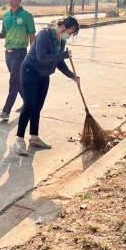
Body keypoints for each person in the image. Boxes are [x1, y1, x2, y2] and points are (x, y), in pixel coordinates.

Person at [14, 16, 80, 156]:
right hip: (30, 71)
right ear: (62, 27)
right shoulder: (44, 34)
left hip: (44, 74)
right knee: (29, 105)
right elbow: (41, 57)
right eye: (70, 32)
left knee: (38, 106)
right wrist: (62, 55)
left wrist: (72, 75)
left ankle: (34, 138)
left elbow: (59, 62)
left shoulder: (60, 40)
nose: (69, 36)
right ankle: (19, 140)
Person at [0, 0, 36, 121]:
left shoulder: (27, 16)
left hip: (20, 53)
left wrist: (33, 56)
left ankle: (6, 112)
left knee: (13, 82)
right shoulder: (6, 16)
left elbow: (32, 38)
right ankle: (29, 103)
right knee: (18, 81)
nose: (10, 0)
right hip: (8, 54)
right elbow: (4, 34)